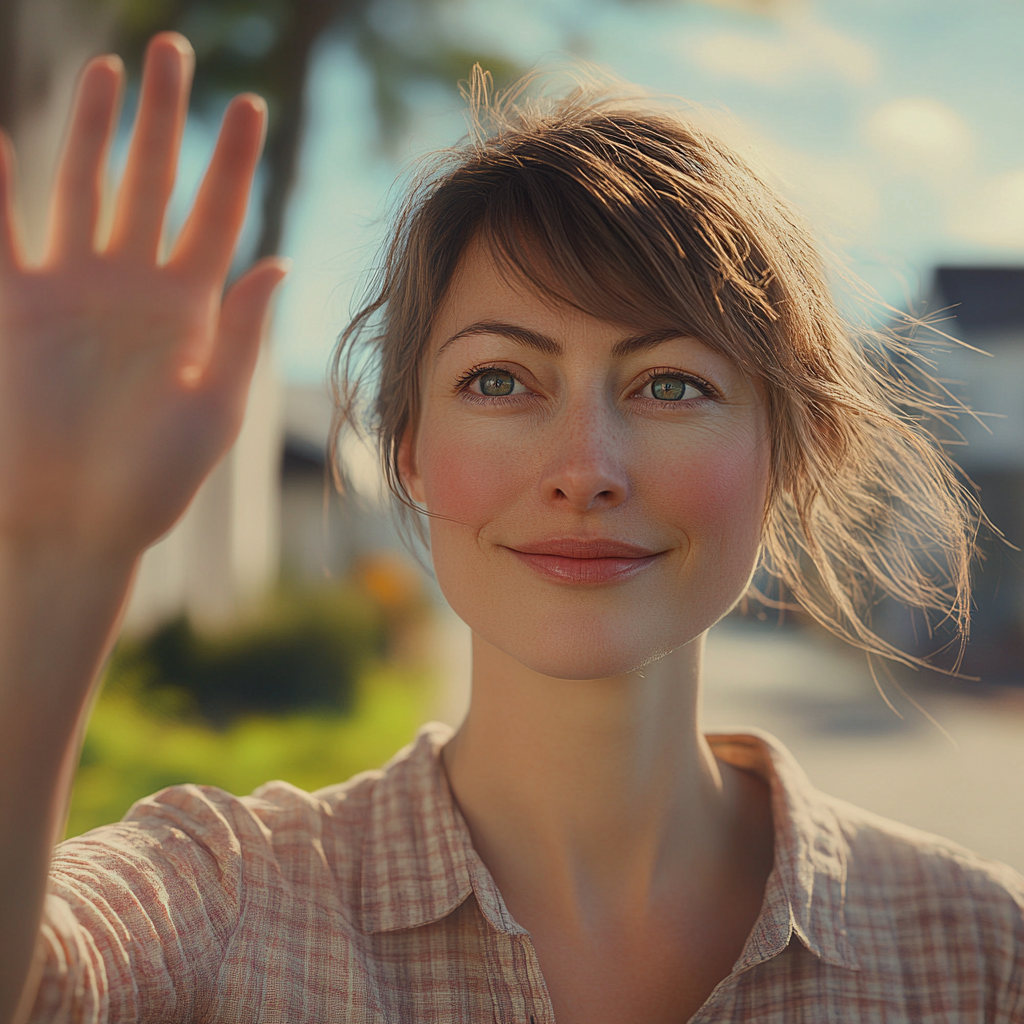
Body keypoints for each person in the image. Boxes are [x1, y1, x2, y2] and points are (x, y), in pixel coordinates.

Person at [0, 29, 1021, 1024]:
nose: (585, 469)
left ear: (788, 453)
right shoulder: (226, 898)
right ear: (404, 443)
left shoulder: (977, 952)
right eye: (500, 380)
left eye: (670, 384)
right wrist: (57, 556)